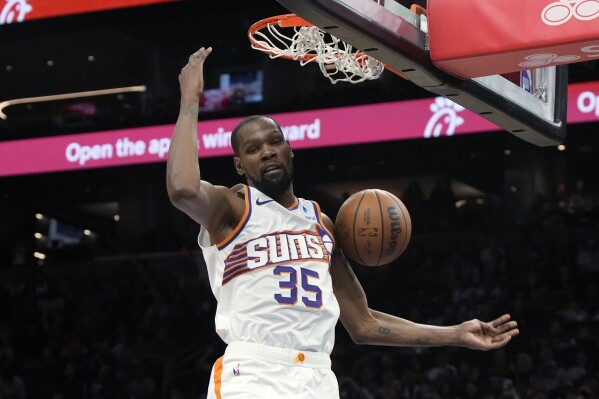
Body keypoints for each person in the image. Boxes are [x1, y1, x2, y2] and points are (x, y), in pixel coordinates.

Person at [166, 47, 520, 399]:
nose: (268, 151)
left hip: (317, 376)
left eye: (275, 142)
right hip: (254, 373)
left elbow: (363, 322)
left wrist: (455, 334)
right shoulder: (232, 208)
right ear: (240, 166)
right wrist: (189, 103)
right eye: (254, 149)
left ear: (291, 150)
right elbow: (182, 188)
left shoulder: (321, 223)